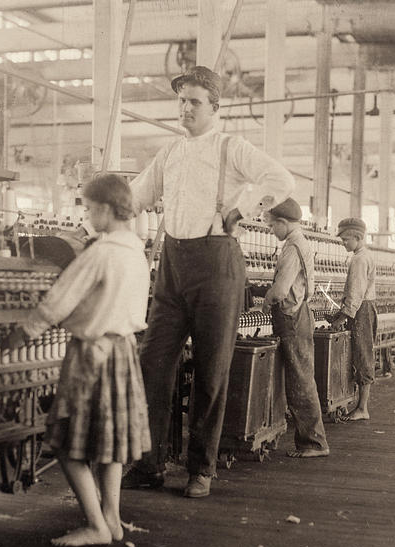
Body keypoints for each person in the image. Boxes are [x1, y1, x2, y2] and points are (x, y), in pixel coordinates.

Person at [122, 65, 294, 498]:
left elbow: (281, 179)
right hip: (173, 265)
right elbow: (137, 197)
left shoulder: (230, 147)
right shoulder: (169, 153)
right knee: (152, 363)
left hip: (217, 263)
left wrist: (242, 210)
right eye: (182, 101)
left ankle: (202, 468)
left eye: (195, 102)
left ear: (215, 107)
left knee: (211, 371)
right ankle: (148, 464)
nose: (186, 109)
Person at [8, 173, 151, 546]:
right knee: (109, 444)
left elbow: (60, 299)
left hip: (91, 354)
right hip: (122, 351)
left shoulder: (101, 253)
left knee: (66, 442)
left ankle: (95, 526)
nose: (87, 216)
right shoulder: (135, 250)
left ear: (104, 209)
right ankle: (113, 520)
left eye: (88, 209)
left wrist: (23, 333)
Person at [262, 198, 329, 458]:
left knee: (300, 380)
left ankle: (315, 443)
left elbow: (279, 291)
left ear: (282, 223)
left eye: (271, 226)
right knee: (300, 377)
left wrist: (264, 303)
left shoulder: (292, 248)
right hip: (299, 316)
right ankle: (310, 440)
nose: (271, 231)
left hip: (291, 317)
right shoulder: (301, 243)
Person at [329, 217, 376, 421]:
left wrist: (343, 317)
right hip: (363, 309)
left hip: (361, 311)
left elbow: (356, 293)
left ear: (357, 237)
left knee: (362, 356)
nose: (343, 243)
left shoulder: (359, 259)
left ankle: (362, 408)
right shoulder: (364, 255)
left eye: (346, 239)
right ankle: (358, 405)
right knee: (360, 354)